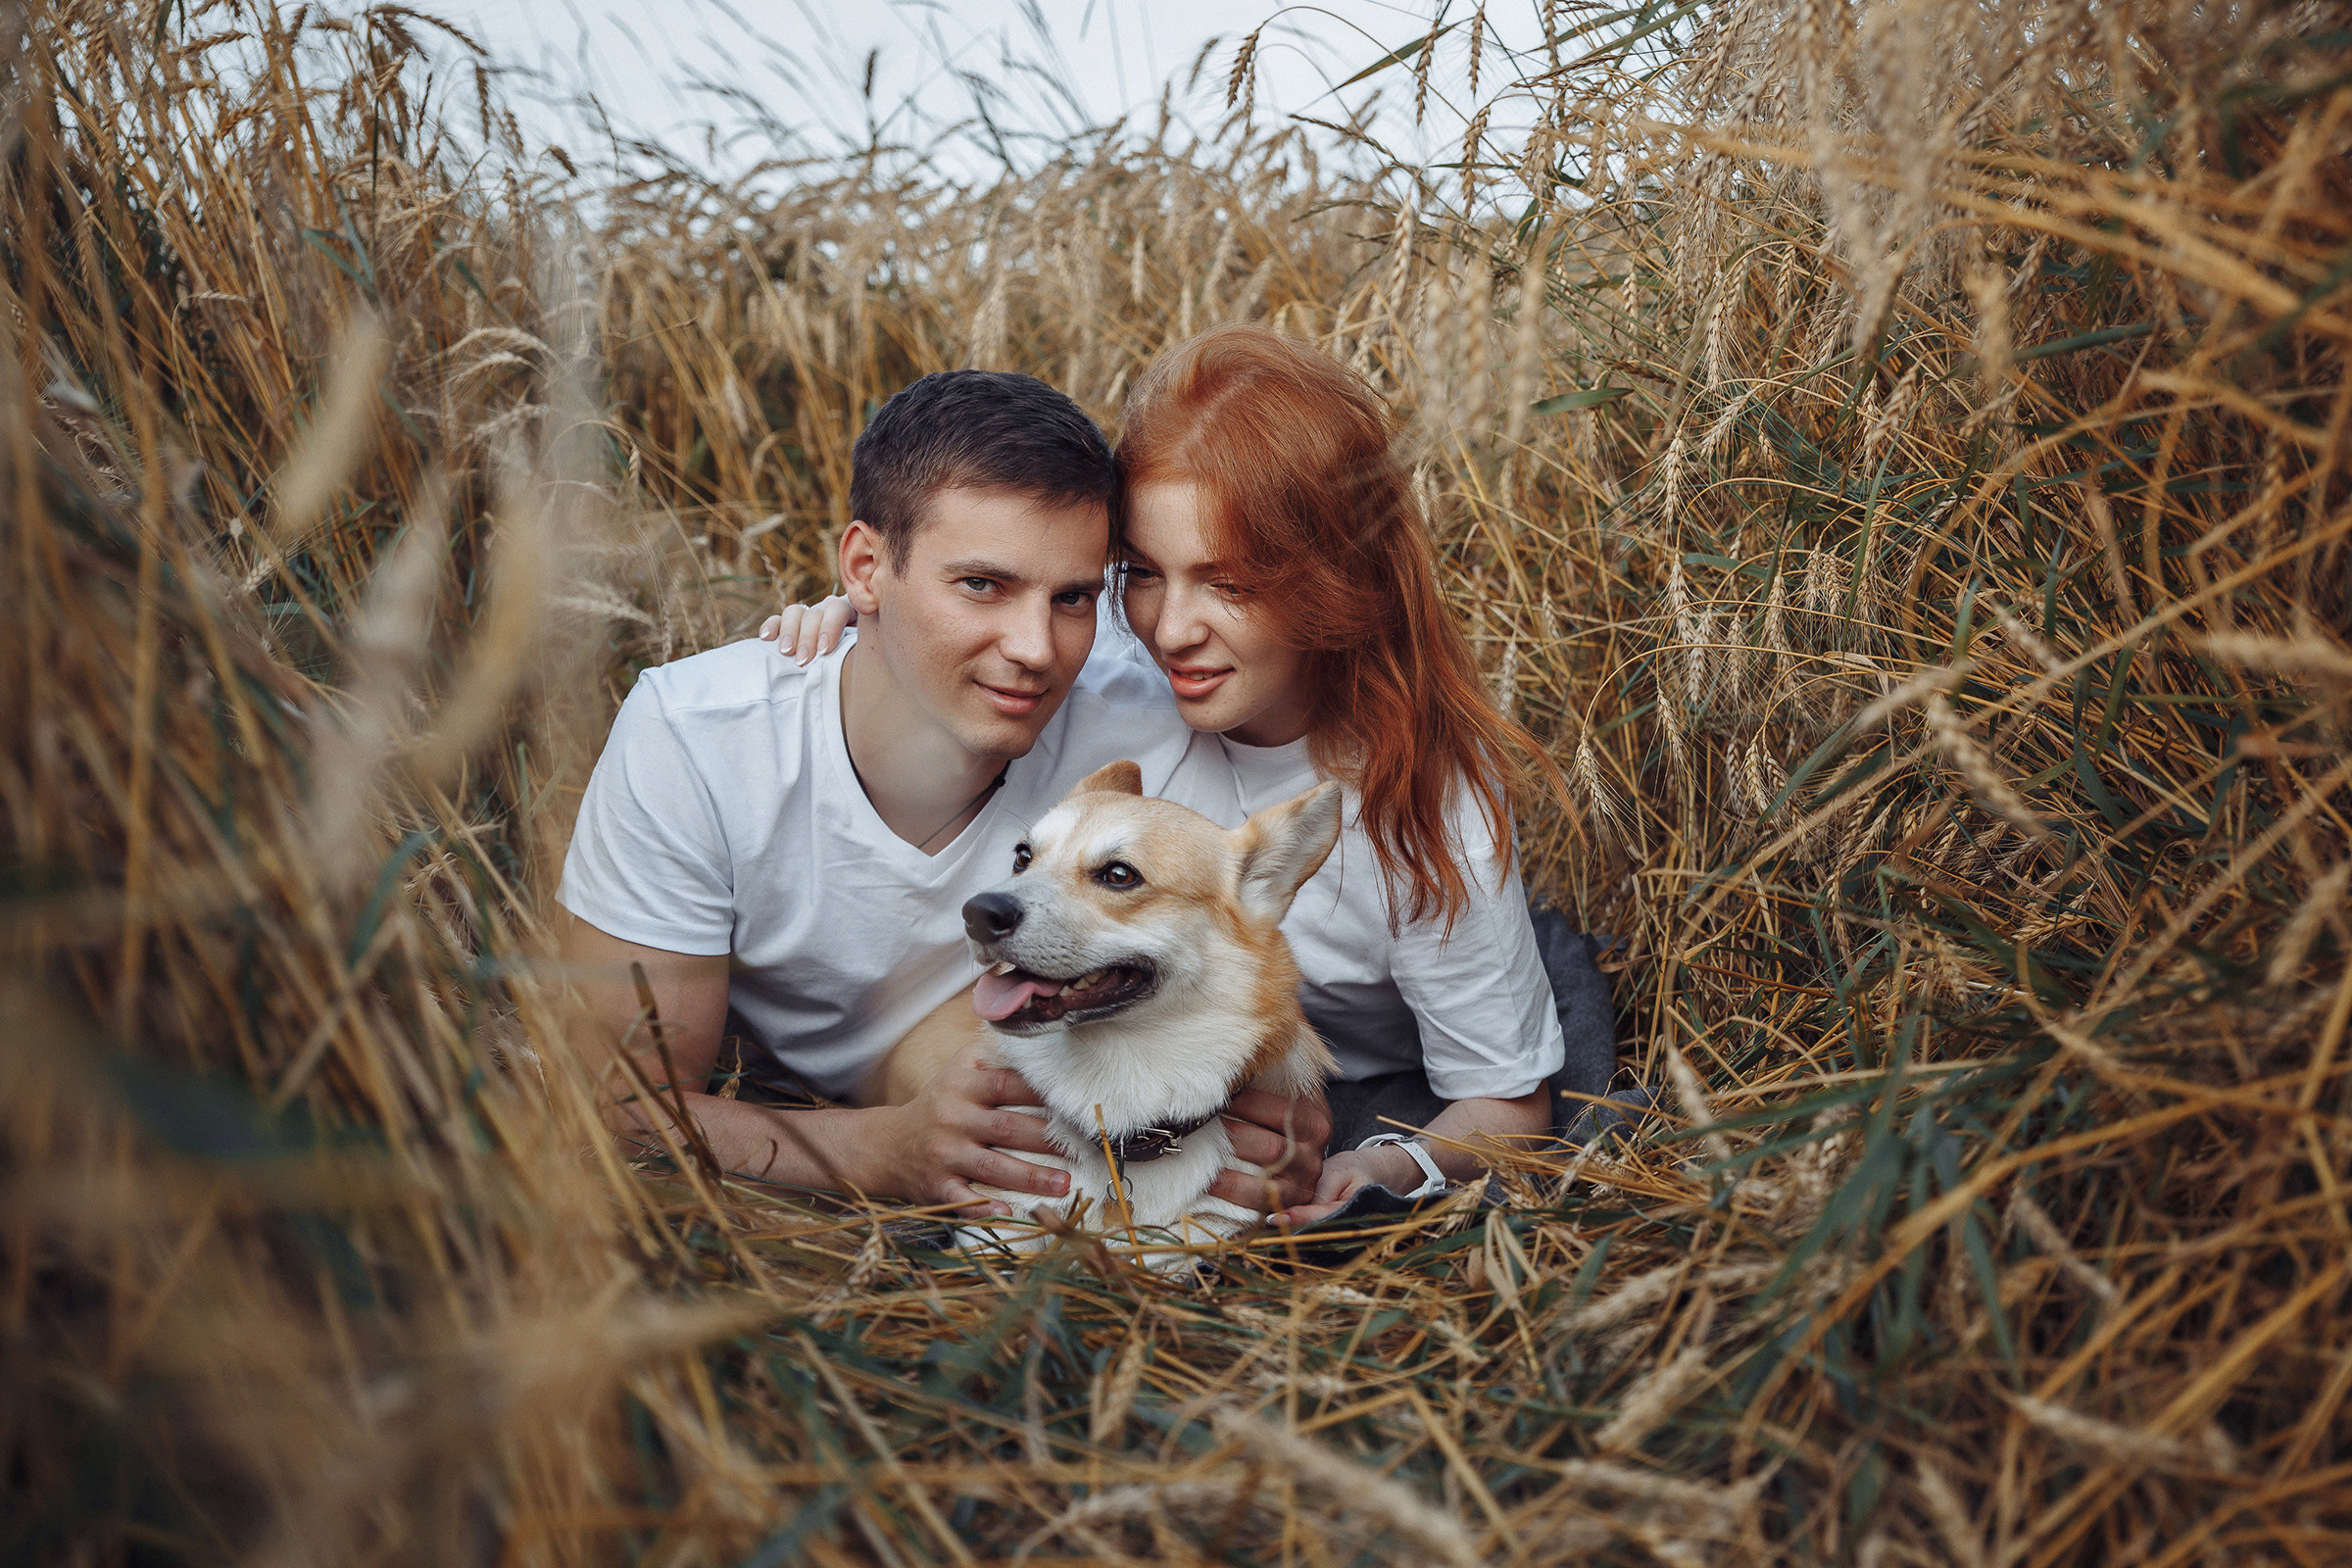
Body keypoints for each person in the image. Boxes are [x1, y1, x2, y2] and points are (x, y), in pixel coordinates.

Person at [764, 325, 1606, 1227]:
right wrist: (864, 615)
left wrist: (1384, 1164)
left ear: (1334, 576)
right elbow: (980, 611)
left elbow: (1508, 1107)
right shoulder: (1116, 673)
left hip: (1368, 1069)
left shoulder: (1429, 814)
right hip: (1168, 1050)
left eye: (1229, 584)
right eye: (1142, 574)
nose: (1170, 630)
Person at [557, 368, 1334, 1219]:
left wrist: (1294, 1114)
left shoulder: (1149, 719)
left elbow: (1256, 937)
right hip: (797, 1123)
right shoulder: (699, 737)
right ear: (865, 568)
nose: (1036, 649)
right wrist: (879, 1150)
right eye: (982, 586)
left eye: (1073, 597)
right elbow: (621, 1105)